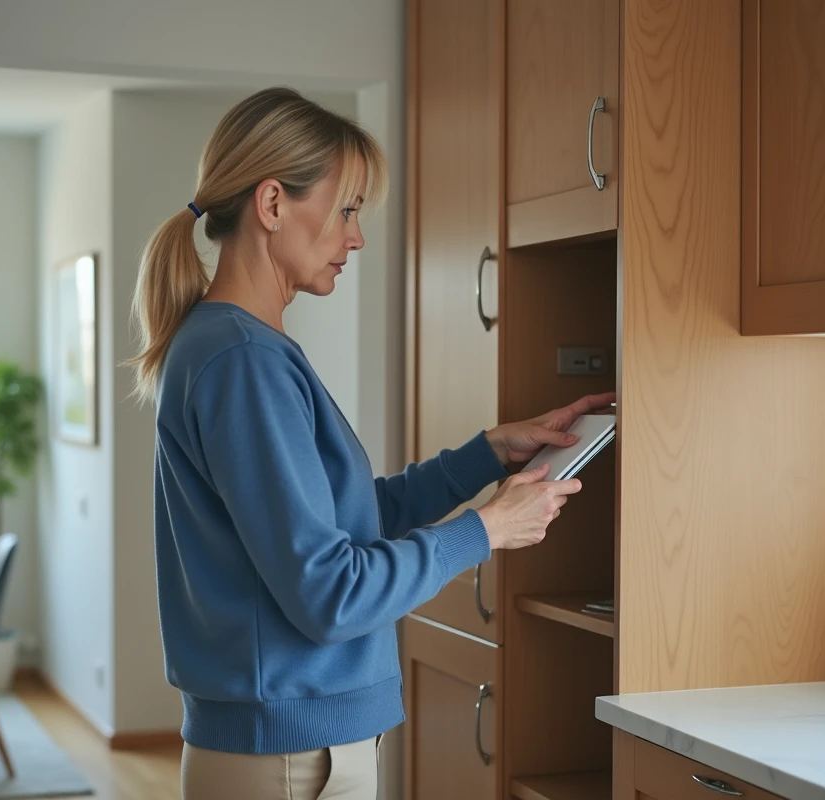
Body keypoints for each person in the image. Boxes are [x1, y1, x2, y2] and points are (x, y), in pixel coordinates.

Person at [127, 87, 615, 800]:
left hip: (292, 749)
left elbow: (340, 523)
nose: (356, 238)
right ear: (272, 204)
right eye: (348, 210)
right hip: (289, 758)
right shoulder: (243, 360)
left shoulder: (241, 349)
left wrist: (485, 455)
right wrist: (486, 530)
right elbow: (330, 593)